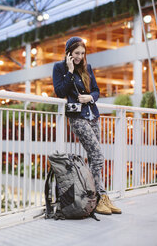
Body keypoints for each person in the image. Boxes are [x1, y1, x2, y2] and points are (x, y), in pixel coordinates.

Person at [52, 36, 121, 215]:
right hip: (78, 118)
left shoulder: (87, 68)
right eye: (76, 53)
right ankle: (100, 197)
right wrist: (69, 70)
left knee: (94, 158)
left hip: (93, 116)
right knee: (98, 156)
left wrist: (90, 97)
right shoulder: (59, 68)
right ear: (68, 53)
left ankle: (100, 198)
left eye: (82, 53)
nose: (80, 57)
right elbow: (60, 91)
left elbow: (96, 90)